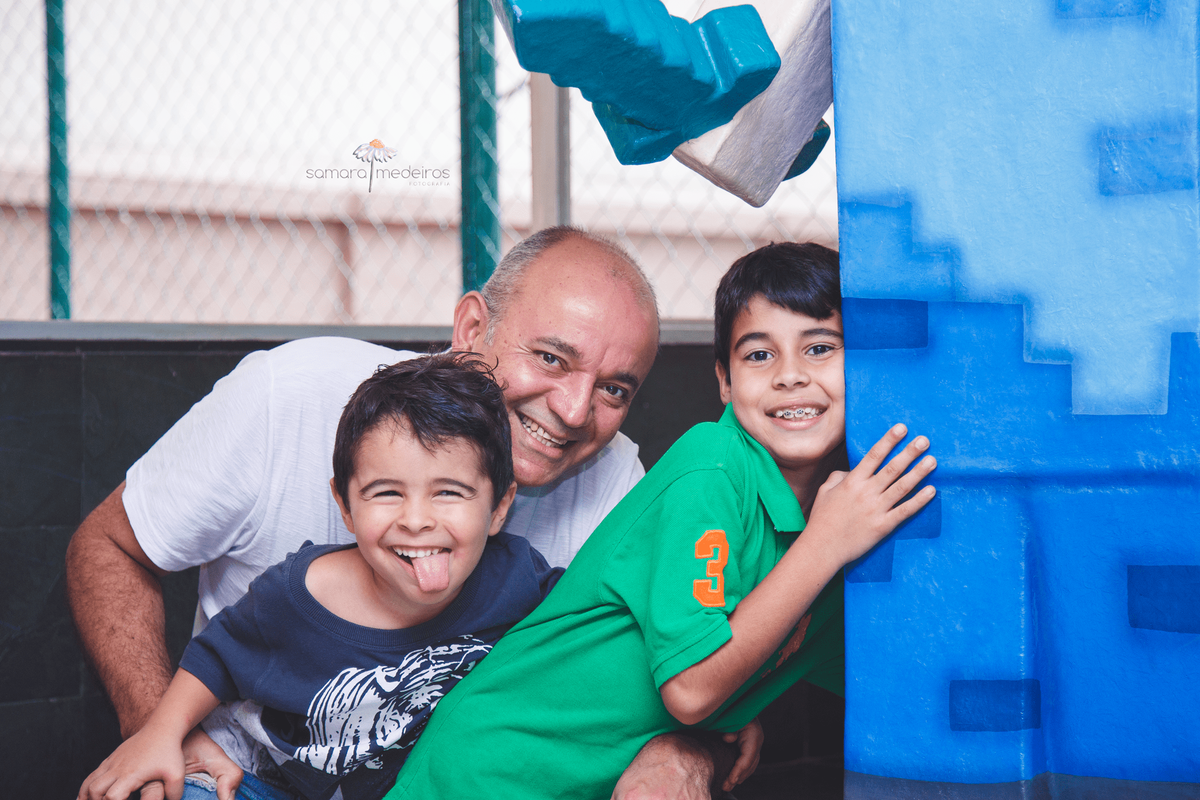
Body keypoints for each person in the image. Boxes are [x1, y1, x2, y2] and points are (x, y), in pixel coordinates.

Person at [65, 226, 753, 800]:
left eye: (614, 389)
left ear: (498, 509)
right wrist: (159, 732)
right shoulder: (293, 398)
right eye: (549, 357)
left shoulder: (616, 489)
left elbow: (682, 666)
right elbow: (110, 546)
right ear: (472, 327)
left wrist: (686, 750)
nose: (574, 411)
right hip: (237, 775)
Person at [385, 242, 939, 799]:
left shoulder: (849, 514)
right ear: (723, 380)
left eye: (820, 347)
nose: (790, 376)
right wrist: (824, 544)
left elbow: (897, 681)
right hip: (478, 778)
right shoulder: (714, 469)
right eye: (759, 355)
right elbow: (691, 689)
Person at [79, 352, 564, 800]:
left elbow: (604, 615)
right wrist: (160, 734)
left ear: (499, 507)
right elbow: (217, 657)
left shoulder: (516, 579)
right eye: (386, 493)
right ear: (345, 506)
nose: (417, 520)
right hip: (266, 785)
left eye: (449, 493)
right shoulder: (298, 592)